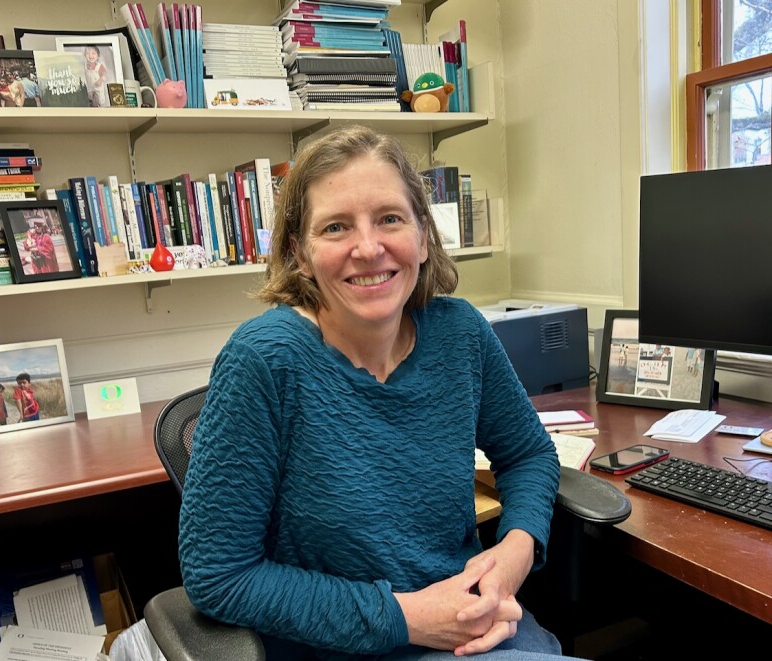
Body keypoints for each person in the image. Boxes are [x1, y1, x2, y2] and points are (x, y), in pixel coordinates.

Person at [179, 126, 567, 660]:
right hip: (338, 644)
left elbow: (527, 455)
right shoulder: (263, 361)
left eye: (390, 218)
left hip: (468, 620)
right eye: (336, 227)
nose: (368, 248)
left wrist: (515, 551)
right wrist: (406, 618)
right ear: (299, 254)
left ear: (423, 236)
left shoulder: (460, 333)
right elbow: (218, 575)